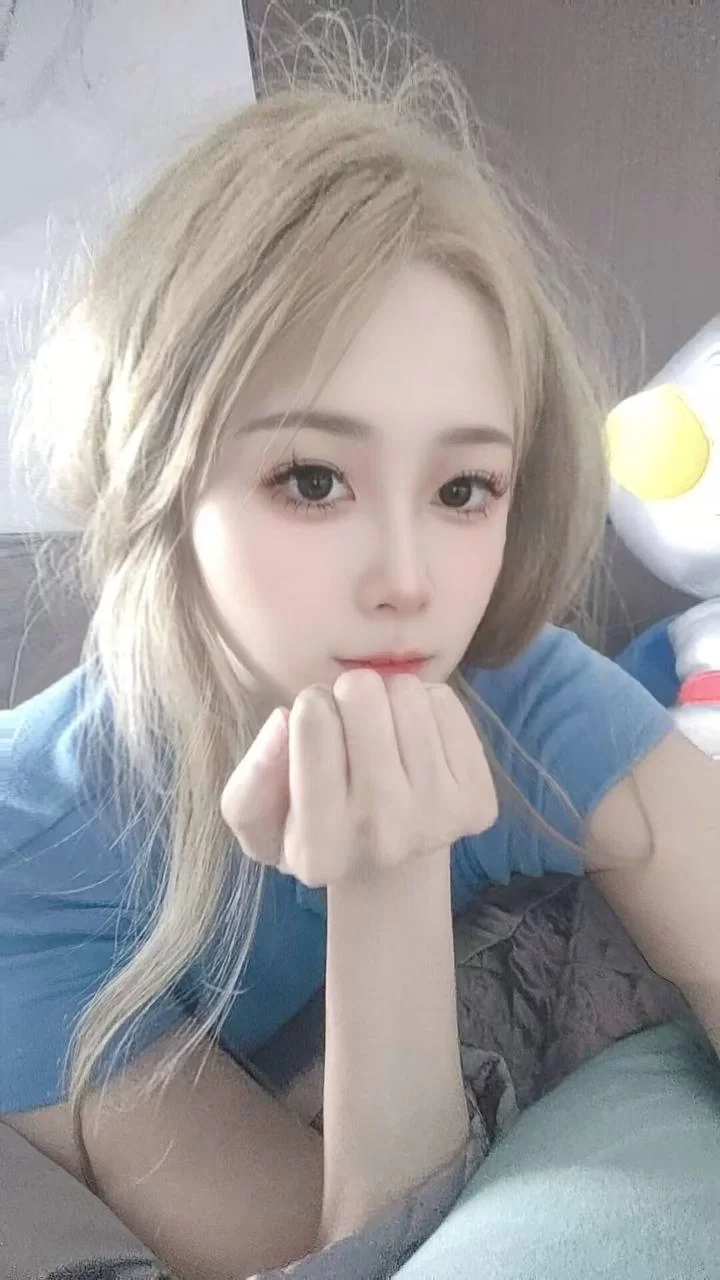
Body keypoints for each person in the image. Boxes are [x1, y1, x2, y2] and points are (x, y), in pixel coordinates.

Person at [2, 9, 718, 1279]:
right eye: (313, 479)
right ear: (161, 471)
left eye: (463, 490)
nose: (407, 580)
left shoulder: (514, 687)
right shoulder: (28, 852)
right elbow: (353, 1259)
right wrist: (387, 885)